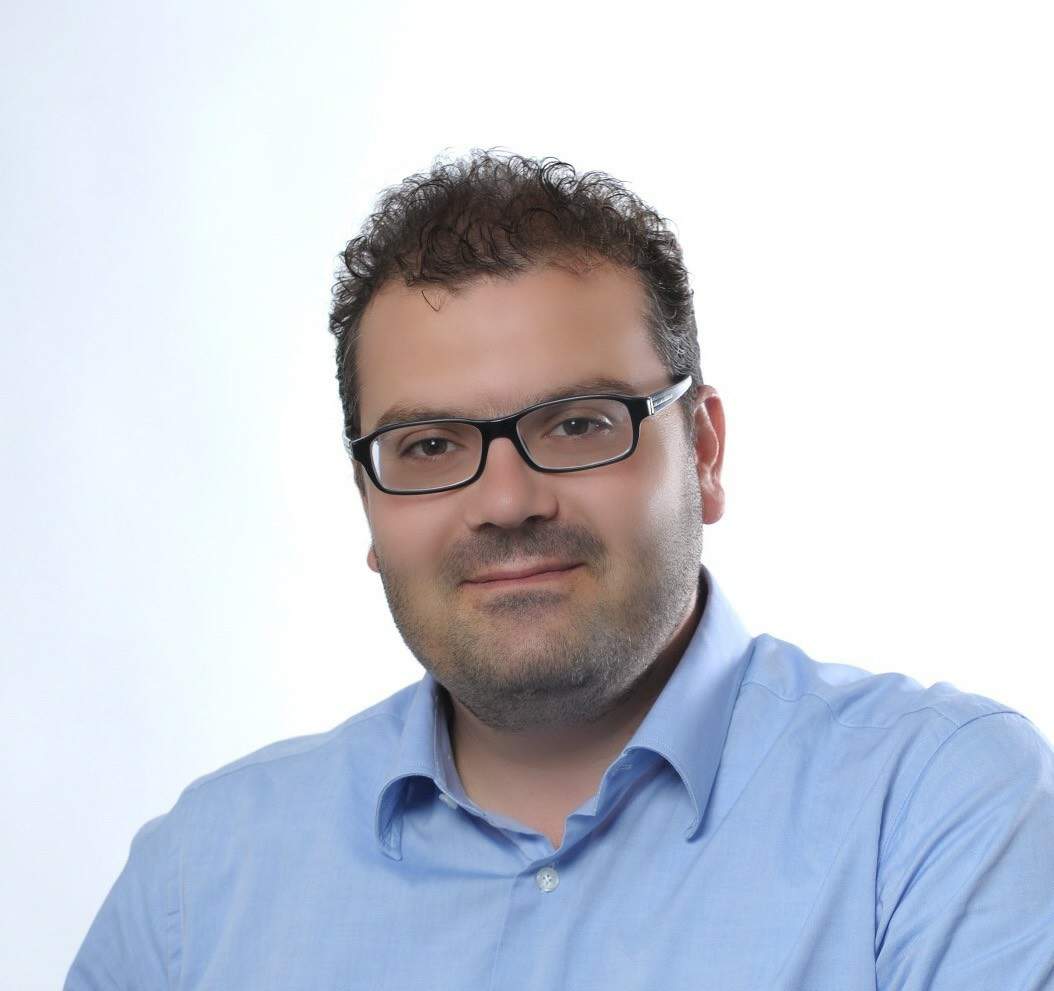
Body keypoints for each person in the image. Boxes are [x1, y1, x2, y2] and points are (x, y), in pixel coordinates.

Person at [66, 150, 1054, 990]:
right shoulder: (196, 887)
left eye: (579, 424)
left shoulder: (931, 809)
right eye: (428, 444)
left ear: (704, 451)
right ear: (367, 499)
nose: (506, 500)